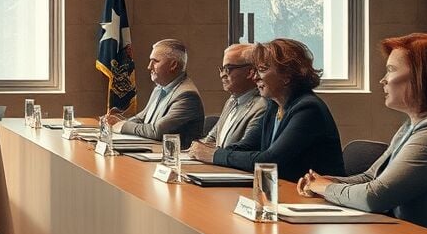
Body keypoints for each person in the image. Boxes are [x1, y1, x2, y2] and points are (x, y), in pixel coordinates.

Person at [299, 33, 427, 234]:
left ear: (423, 76)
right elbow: (372, 177)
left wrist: (325, 188)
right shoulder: (413, 123)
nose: (383, 80)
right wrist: (328, 181)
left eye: (391, 70)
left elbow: (375, 197)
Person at [190, 38, 343, 182]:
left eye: (262, 70)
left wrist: (214, 155)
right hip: (281, 189)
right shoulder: (273, 105)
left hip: (313, 196)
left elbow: (269, 161)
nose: (255, 77)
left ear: (287, 76)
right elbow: (245, 146)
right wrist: (212, 152)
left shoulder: (308, 109)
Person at [100, 39, 204, 143]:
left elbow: (157, 131)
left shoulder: (187, 96)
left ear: (173, 65)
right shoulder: (160, 88)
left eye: (155, 61)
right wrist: (117, 121)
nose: (149, 67)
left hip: (173, 153)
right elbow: (141, 118)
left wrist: (122, 126)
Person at [195, 43, 267, 149]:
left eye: (228, 68)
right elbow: (211, 139)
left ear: (250, 72)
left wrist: (205, 151)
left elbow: (241, 150)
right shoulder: (231, 101)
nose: (222, 75)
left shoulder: (262, 106)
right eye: (222, 69)